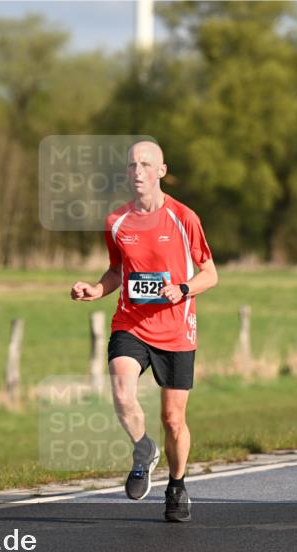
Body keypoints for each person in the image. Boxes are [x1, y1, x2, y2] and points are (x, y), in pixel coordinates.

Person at [70, 140, 217, 522]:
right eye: (132, 164)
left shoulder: (185, 219)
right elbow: (117, 271)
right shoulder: (117, 222)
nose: (137, 171)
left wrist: (182, 289)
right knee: (121, 390)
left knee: (173, 419)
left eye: (145, 164)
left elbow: (211, 274)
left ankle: (177, 484)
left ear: (161, 172)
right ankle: (142, 447)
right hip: (131, 324)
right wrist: (95, 289)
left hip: (176, 331)